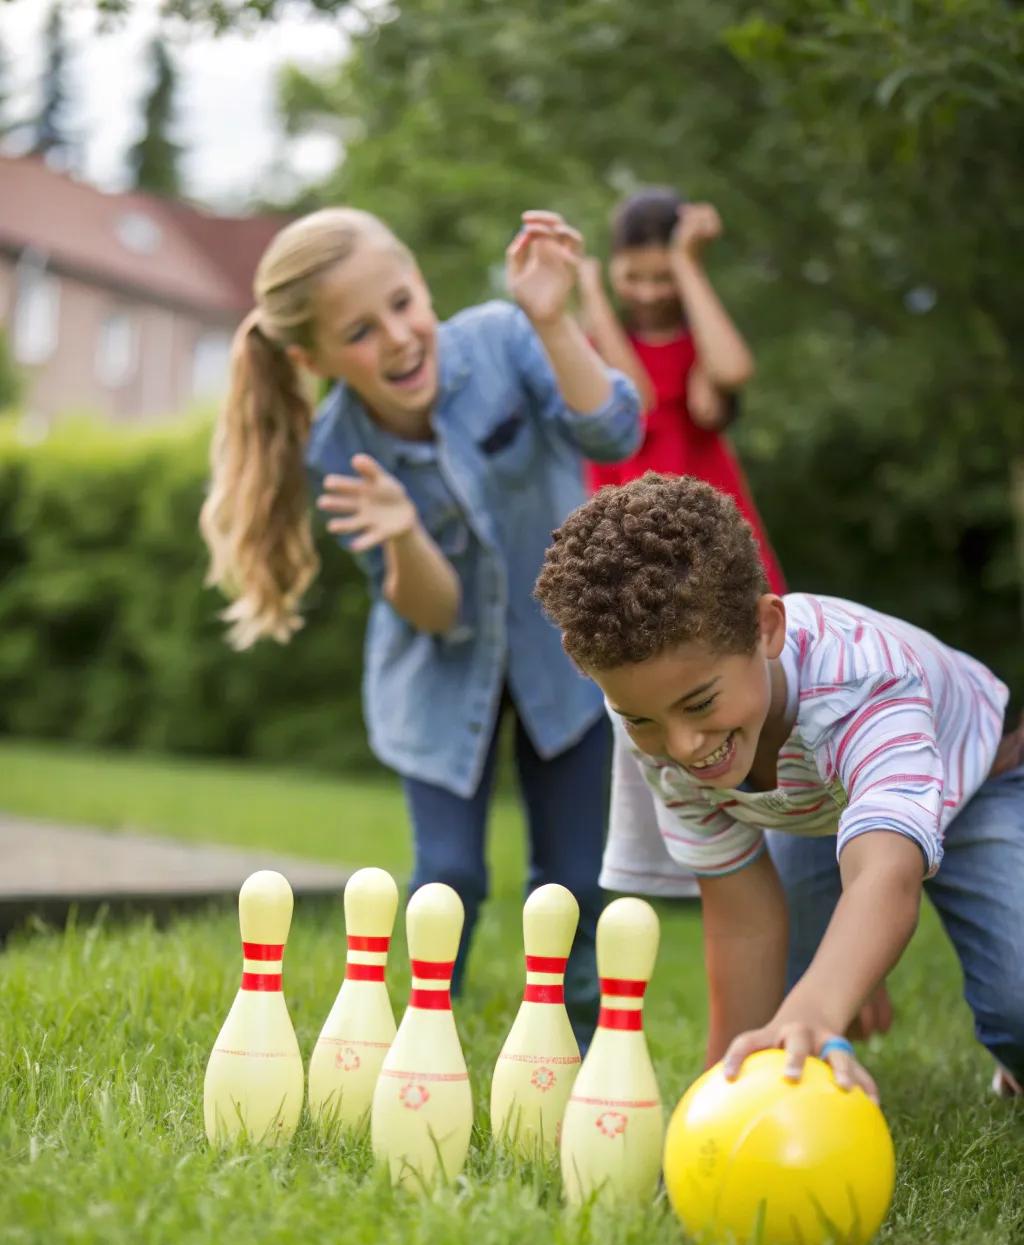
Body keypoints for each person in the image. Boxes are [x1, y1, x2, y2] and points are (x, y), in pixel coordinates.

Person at [200, 207, 643, 1048]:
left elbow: (615, 428)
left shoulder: (506, 341)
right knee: (448, 874)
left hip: (569, 657)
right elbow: (440, 617)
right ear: (313, 359)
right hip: (438, 682)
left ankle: (583, 1038)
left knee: (577, 879)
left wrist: (552, 320)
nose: (400, 339)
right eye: (361, 332)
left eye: (404, 304)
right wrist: (403, 530)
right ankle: (419, 1035)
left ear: (422, 284)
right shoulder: (336, 448)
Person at [534, 472, 1024, 1100]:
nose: (683, 746)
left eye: (699, 702)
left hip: (981, 777)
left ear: (766, 629)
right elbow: (742, 918)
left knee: (1009, 1007)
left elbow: (885, 874)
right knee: (784, 1013)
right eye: (643, 720)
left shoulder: (861, 683)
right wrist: (717, 1098)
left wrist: (821, 1004)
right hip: (819, 806)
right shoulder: (651, 717)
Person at [577, 186, 785, 595]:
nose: (649, 293)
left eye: (665, 277)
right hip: (630, 521)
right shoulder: (595, 341)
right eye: (633, 276)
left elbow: (735, 370)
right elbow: (635, 398)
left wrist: (688, 262)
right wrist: (593, 297)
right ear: (612, 264)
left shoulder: (699, 341)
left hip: (709, 520)